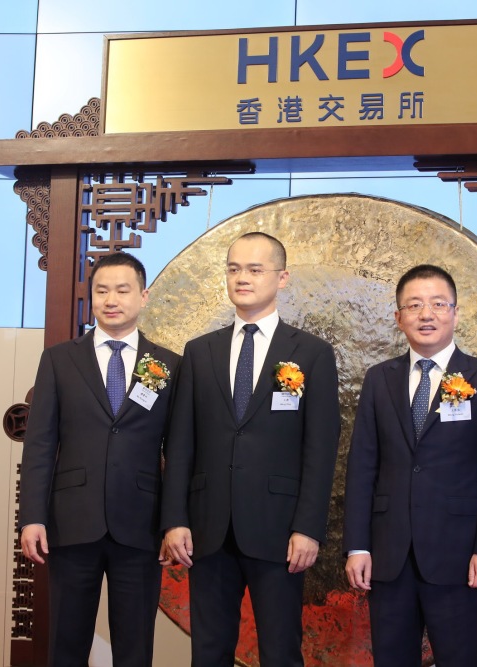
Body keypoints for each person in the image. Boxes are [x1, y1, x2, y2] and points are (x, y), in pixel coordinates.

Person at [159, 231, 341, 667]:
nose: (242, 278)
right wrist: (175, 519)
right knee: (208, 652)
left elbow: (320, 449)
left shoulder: (311, 353)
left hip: (279, 530)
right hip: (208, 529)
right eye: (234, 268)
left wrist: (308, 527)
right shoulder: (199, 352)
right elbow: (180, 444)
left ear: (282, 277)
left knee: (280, 652)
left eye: (255, 269)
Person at [343, 264, 477, 667]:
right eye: (415, 305)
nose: (427, 314)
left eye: (438, 304)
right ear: (398, 317)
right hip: (389, 557)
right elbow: (362, 467)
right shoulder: (378, 379)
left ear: (455, 313)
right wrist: (358, 546)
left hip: (460, 558)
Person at [18, 251, 180, 667]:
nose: (111, 300)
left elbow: (178, 451)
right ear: (91, 297)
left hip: (141, 526)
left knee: (134, 648)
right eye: (102, 290)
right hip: (72, 524)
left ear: (143, 296)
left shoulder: (168, 364)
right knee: (66, 645)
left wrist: (173, 522)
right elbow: (39, 443)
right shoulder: (59, 360)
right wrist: (32, 516)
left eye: (122, 290)